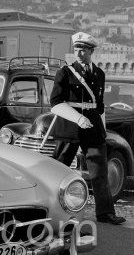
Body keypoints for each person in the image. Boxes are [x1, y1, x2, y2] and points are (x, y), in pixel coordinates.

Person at [50, 31, 125, 225]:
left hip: (92, 126)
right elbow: (56, 103)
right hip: (69, 125)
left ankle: (105, 213)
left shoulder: (99, 74)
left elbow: (99, 106)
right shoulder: (65, 72)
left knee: (100, 171)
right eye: (76, 48)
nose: (79, 53)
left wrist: (103, 129)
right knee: (57, 170)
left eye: (83, 49)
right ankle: (49, 210)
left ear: (91, 51)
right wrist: (77, 118)